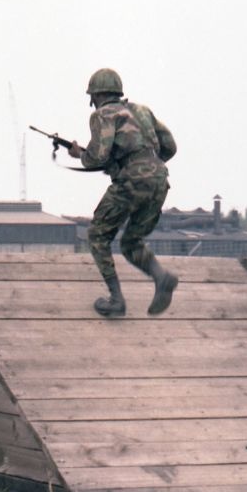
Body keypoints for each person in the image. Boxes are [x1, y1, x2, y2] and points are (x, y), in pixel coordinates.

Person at [68, 68, 178, 317]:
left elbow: (97, 156)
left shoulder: (102, 114)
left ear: (94, 96)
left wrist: (79, 155)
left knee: (97, 235)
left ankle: (116, 300)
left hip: (132, 181)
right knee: (131, 242)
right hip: (160, 179)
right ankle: (161, 278)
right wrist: (146, 164)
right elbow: (170, 146)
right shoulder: (142, 110)